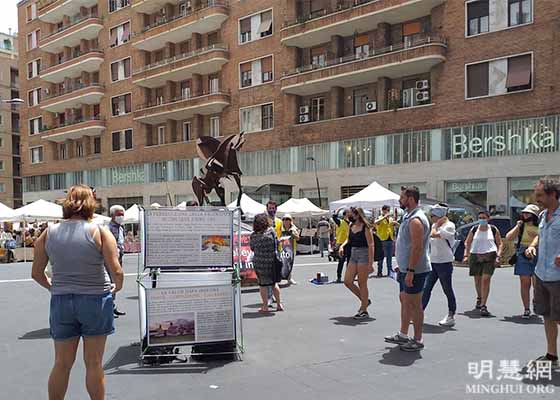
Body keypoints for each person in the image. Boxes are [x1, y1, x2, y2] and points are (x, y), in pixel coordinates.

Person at [31, 185, 123, 400]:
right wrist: (116, 287)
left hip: (62, 302)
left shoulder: (49, 233)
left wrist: (53, 287)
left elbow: (36, 273)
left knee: (62, 363)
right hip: (95, 300)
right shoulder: (100, 231)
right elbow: (116, 270)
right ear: (91, 204)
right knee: (94, 363)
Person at [385, 186, 431, 352]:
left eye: (402, 197)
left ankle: (418, 339)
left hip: (416, 270)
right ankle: (403, 335)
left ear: (410, 199)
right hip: (407, 268)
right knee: (404, 300)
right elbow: (407, 244)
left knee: (415, 305)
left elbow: (417, 248)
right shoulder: (408, 216)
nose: (399, 200)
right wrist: (403, 266)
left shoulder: (416, 220)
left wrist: (411, 270)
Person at [525, 178, 560, 369]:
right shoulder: (543, 215)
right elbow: (540, 234)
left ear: (553, 194)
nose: (536, 198)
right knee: (547, 315)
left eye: (540, 195)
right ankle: (552, 356)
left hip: (558, 277)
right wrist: (532, 246)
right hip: (541, 274)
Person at [422, 204, 457, 327]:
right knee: (426, 288)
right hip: (433, 261)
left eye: (433, 216)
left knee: (447, 289)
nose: (431, 218)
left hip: (445, 262)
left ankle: (451, 314)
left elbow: (435, 235)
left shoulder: (449, 226)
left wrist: (436, 226)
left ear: (440, 216)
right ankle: (419, 312)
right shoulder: (434, 225)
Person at [463, 210, 503, 317]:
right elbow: (467, 242)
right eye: (480, 217)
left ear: (488, 218)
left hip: (489, 256)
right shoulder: (474, 229)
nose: (482, 220)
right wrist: (466, 255)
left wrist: (498, 256)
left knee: (485, 279)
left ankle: (483, 305)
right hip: (475, 255)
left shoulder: (493, 229)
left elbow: (500, 243)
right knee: (477, 280)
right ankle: (479, 297)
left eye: (484, 217)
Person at [338, 207, 374, 320]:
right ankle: (365, 301)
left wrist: (370, 263)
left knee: (362, 283)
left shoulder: (366, 227)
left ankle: (364, 310)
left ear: (358, 215)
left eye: (351, 214)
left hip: (364, 254)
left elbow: (371, 245)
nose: (349, 216)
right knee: (347, 281)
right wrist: (342, 246)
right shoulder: (351, 226)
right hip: (353, 253)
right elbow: (348, 239)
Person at [506, 204, 540, 318]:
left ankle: (536, 300)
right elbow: (508, 237)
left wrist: (535, 238)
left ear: (534, 215)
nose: (525, 215)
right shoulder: (521, 225)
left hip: (538, 253)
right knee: (525, 282)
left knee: (537, 282)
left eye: (528, 213)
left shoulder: (541, 226)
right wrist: (517, 226)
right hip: (523, 253)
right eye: (524, 213)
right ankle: (526, 308)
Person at [249, 214, 284, 313]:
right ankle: (279, 304)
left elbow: (252, 248)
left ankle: (265, 306)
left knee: (263, 285)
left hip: (260, 263)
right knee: (274, 284)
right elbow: (277, 243)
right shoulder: (271, 231)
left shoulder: (254, 236)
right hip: (272, 262)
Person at [108, 205, 127, 318]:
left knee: (115, 281)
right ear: (112, 215)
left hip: (120, 257)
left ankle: (113, 306)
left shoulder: (121, 228)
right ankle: (108, 308)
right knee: (111, 282)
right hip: (111, 258)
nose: (121, 217)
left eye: (122, 214)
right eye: (118, 214)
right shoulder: (108, 228)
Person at [375, 205, 397, 277]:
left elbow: (392, 227)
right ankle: (379, 271)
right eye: (387, 210)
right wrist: (384, 217)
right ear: (383, 210)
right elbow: (376, 222)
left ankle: (389, 271)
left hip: (390, 238)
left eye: (389, 210)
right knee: (381, 257)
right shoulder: (380, 217)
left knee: (389, 257)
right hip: (382, 239)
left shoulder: (390, 218)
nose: (388, 212)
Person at [281, 214, 300, 285]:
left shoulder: (293, 228)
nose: (286, 221)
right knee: (281, 263)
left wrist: (292, 234)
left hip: (291, 248)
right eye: (284, 219)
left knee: (290, 263)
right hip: (281, 248)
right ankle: (281, 277)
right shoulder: (280, 227)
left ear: (290, 221)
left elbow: (298, 238)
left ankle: (289, 278)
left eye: (287, 219)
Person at [333, 209, 350, 283]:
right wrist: (337, 210)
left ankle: (349, 276)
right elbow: (334, 218)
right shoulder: (340, 222)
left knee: (350, 261)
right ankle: (339, 277)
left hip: (349, 243)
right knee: (341, 261)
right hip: (341, 244)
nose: (350, 214)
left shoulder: (351, 223)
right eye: (348, 213)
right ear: (345, 214)